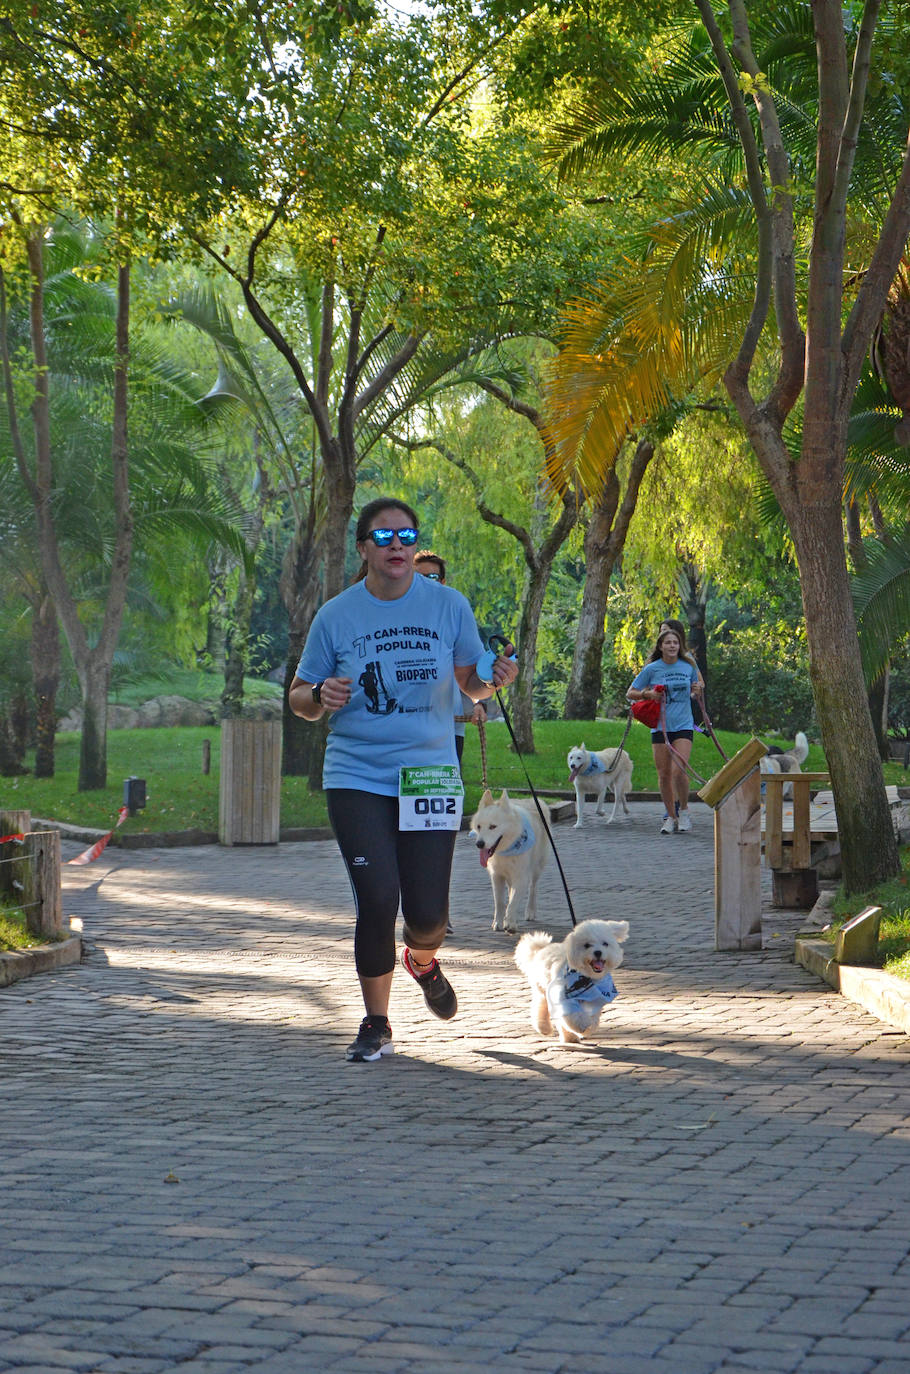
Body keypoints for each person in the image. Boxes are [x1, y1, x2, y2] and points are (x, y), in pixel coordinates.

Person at [289, 497, 518, 1063]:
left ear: (416, 548)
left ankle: (422, 958)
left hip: (430, 775)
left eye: (408, 536)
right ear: (363, 548)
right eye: (385, 536)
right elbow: (298, 697)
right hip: (357, 774)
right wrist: (321, 696)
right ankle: (377, 1021)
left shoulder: (447, 605)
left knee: (427, 915)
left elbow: (471, 682)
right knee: (376, 897)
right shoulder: (336, 616)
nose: (398, 545)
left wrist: (496, 682)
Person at [414, 549, 487, 766]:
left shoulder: (455, 615)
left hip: (450, 726)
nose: (426, 583)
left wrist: (479, 703)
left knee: (447, 791)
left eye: (432, 578)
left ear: (443, 581)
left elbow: (474, 667)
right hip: (406, 729)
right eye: (418, 578)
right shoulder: (394, 618)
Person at [627, 624, 700, 834]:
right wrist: (647, 695)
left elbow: (696, 690)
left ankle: (684, 811)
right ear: (660, 646)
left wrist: (697, 691)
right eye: (668, 642)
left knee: (679, 771)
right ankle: (670, 816)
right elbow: (631, 692)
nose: (672, 646)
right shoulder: (652, 668)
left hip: (684, 725)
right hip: (660, 726)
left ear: (680, 645)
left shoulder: (688, 666)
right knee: (664, 774)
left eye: (675, 643)